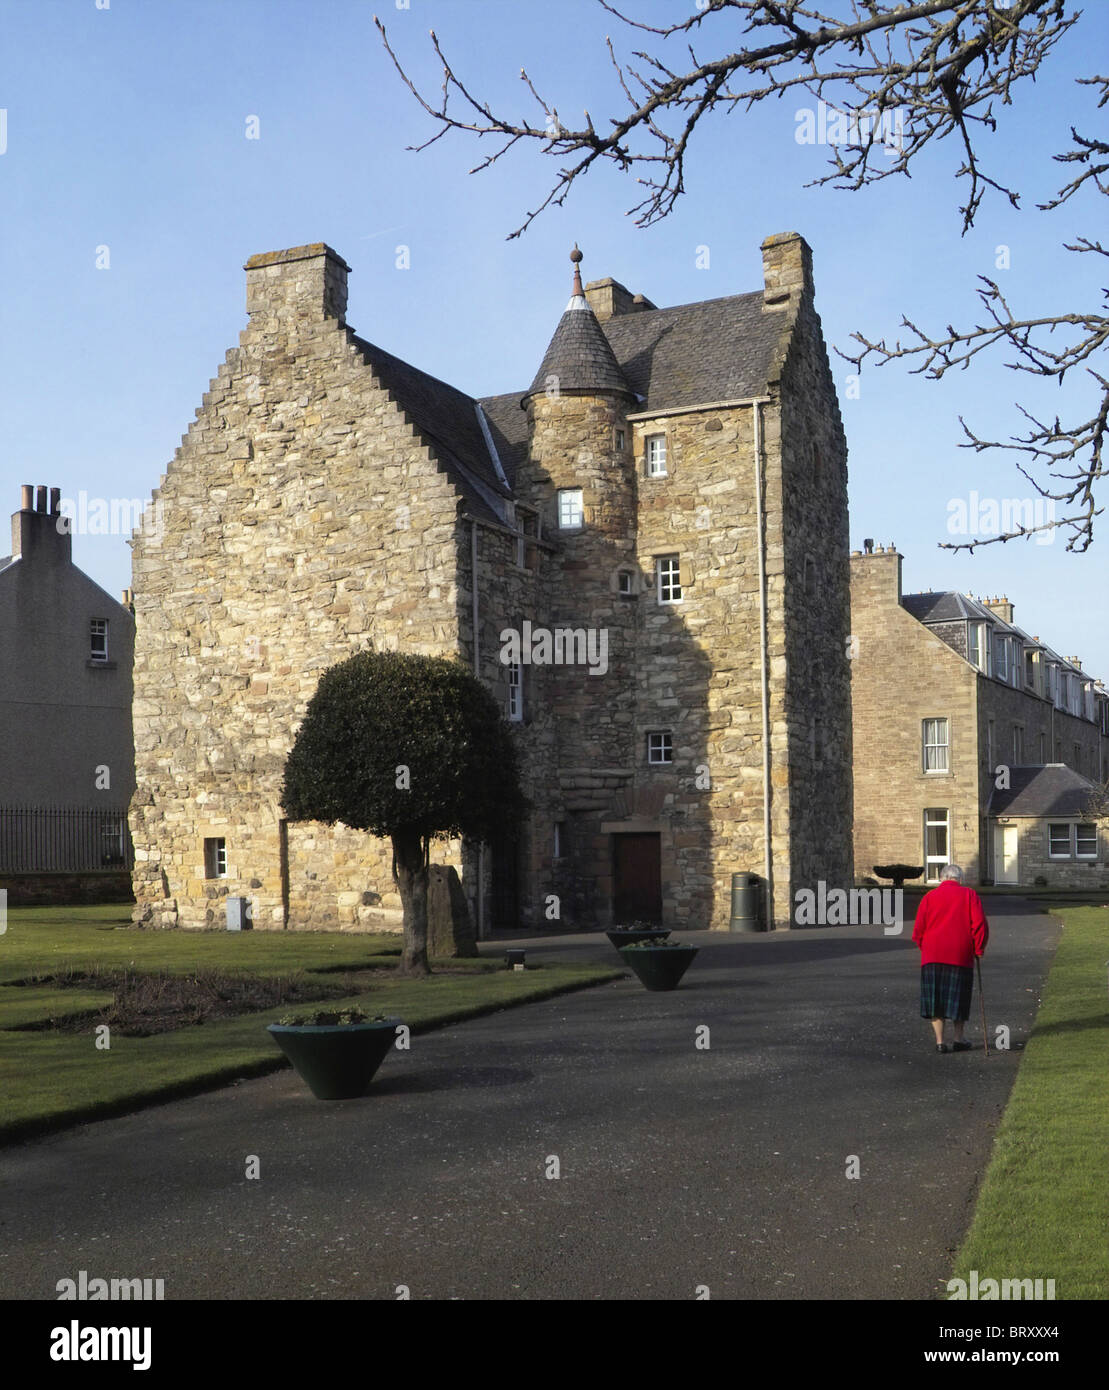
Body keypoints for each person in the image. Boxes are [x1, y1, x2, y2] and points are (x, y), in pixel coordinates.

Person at [911, 864, 989, 1053]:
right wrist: (978, 949)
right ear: (959, 879)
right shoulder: (969, 895)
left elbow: (918, 931)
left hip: (932, 955)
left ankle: (940, 1042)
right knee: (958, 997)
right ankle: (958, 1038)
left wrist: (926, 948)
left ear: (942, 878)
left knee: (935, 999)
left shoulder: (929, 897)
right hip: (960, 954)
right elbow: (979, 925)